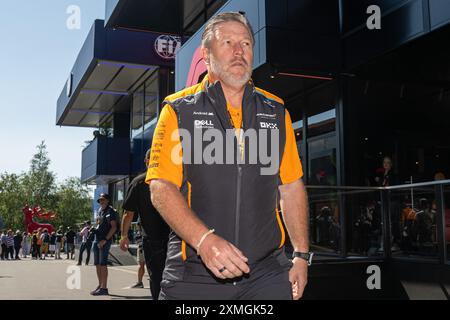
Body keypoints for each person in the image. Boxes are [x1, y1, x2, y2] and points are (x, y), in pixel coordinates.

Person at [146, 12, 310, 300]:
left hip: (267, 273)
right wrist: (204, 241)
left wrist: (301, 255)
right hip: (194, 272)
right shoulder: (178, 109)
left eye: (246, 44)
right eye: (229, 43)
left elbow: (291, 187)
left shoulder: (276, 111)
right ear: (207, 56)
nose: (239, 51)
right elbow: (161, 187)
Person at [120, 149, 170, 299]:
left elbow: (128, 214)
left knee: (156, 277)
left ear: (146, 161)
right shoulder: (172, 178)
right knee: (176, 275)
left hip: (153, 240)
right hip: (175, 238)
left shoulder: (139, 182)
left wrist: (124, 236)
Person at [91, 193, 118, 296]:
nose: (101, 202)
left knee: (103, 264)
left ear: (107, 200)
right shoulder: (100, 211)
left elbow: (114, 227)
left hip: (104, 241)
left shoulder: (111, 211)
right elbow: (99, 224)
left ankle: (104, 288)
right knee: (97, 264)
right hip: (97, 239)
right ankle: (100, 285)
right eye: (100, 200)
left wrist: (105, 240)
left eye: (103, 200)